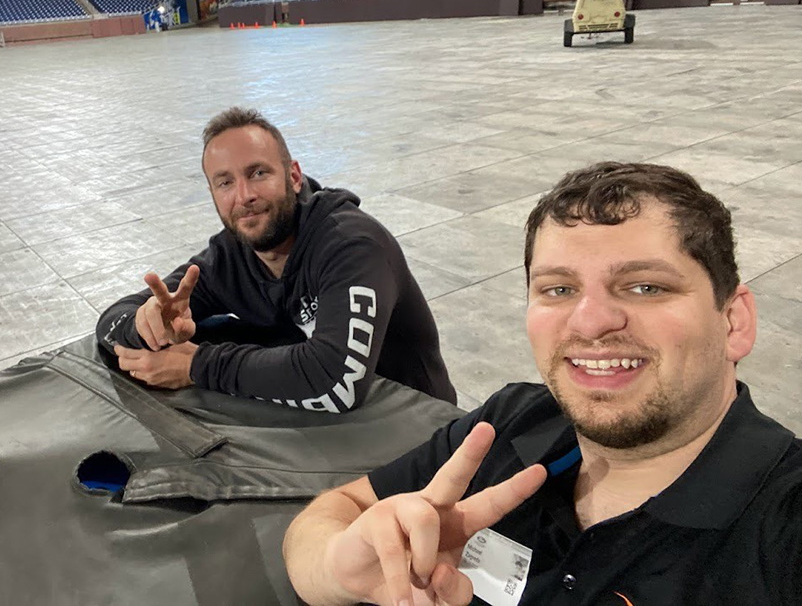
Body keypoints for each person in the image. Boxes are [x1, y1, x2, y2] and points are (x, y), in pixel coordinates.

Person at [283, 162, 801, 605]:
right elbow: (332, 512)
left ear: (733, 321)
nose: (590, 321)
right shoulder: (513, 423)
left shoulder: (781, 528)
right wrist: (341, 570)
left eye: (645, 286)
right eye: (559, 289)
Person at [95, 107, 456, 412]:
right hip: (330, 431)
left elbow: (338, 383)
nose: (244, 196)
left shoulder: (352, 245)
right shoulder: (229, 257)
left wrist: (196, 366)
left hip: (416, 426)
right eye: (225, 183)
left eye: (258, 173)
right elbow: (111, 321)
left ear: (294, 176)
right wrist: (145, 326)